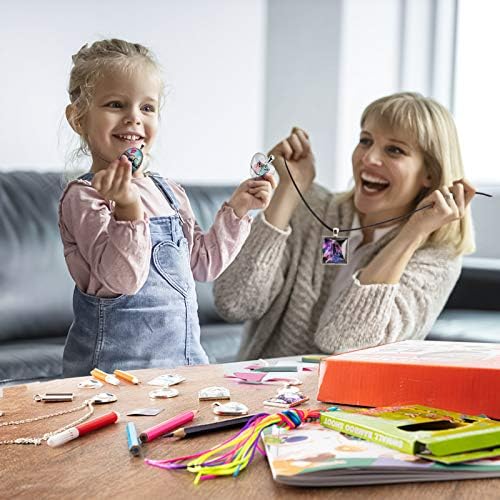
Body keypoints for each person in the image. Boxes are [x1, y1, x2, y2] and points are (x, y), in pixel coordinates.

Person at [59, 39, 275, 377]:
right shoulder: (84, 196)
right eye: (116, 104)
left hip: (183, 369)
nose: (134, 118)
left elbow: (203, 265)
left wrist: (238, 209)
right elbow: (123, 280)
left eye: (147, 108)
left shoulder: (168, 191)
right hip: (113, 377)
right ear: (78, 119)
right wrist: (127, 210)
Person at [214, 92, 476, 360]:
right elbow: (234, 303)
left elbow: (341, 339)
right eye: (365, 141)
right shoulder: (314, 209)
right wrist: (289, 191)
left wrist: (412, 235)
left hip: (353, 390)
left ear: (430, 173)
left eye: (394, 150)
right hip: (260, 382)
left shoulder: (438, 259)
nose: (369, 158)